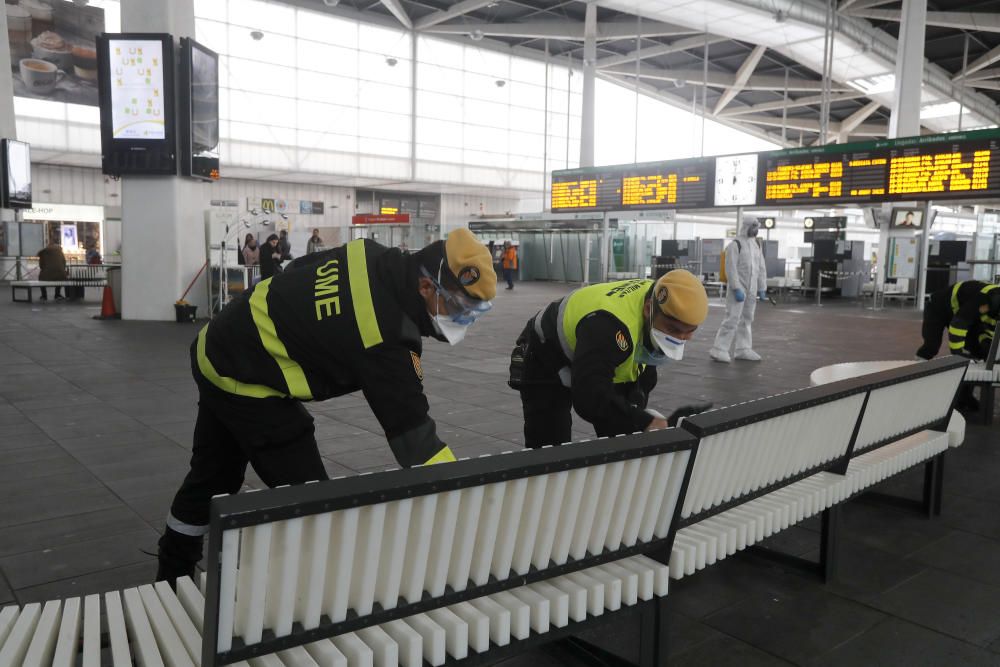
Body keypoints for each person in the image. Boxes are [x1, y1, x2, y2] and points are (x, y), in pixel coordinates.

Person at [155, 228, 497, 583]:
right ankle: (303, 597)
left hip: (221, 342)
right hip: (247, 374)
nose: (461, 320)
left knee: (212, 475)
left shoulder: (370, 255)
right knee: (314, 503)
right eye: (458, 307)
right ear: (426, 287)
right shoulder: (385, 337)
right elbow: (416, 443)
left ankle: (170, 576)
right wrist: (466, 498)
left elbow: (301, 268)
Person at [509, 270, 709, 449]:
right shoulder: (608, 327)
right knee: (550, 447)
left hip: (598, 348)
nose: (680, 338)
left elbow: (635, 383)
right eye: (673, 330)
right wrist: (646, 422)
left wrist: (640, 417)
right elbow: (589, 397)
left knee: (625, 432)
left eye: (689, 332)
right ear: (648, 309)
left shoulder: (661, 296)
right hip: (546, 353)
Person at [917, 280, 1000, 412]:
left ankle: (963, 397)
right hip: (939, 308)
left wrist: (988, 351)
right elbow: (958, 325)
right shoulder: (989, 299)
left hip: (963, 314)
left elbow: (989, 334)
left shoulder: (994, 309)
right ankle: (915, 383)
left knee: (977, 352)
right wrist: (958, 353)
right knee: (931, 347)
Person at [710, 217, 768, 363]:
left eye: (757, 226)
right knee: (732, 318)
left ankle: (743, 349)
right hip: (739, 289)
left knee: (747, 319)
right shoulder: (735, 245)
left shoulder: (756, 245)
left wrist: (762, 288)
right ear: (746, 226)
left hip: (752, 290)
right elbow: (731, 268)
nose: (756, 229)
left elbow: (761, 268)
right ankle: (719, 349)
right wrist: (736, 288)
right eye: (753, 226)